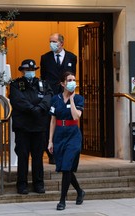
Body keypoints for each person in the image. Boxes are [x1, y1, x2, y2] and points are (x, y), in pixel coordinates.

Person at [9, 59, 53, 194]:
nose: (30, 73)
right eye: (28, 70)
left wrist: (39, 108)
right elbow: (18, 100)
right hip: (23, 127)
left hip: (39, 127)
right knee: (22, 156)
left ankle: (38, 184)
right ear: (22, 71)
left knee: (38, 157)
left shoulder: (43, 84)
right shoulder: (16, 84)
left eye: (32, 70)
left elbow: (48, 97)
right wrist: (32, 109)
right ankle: (22, 184)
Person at [48, 71, 85, 211]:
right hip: (59, 134)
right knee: (65, 167)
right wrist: (50, 140)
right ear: (63, 83)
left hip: (73, 134)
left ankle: (62, 200)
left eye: (74, 80)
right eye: (69, 80)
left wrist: (71, 100)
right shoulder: (55, 99)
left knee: (66, 167)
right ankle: (80, 191)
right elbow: (52, 120)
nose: (72, 82)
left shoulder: (79, 98)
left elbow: (76, 117)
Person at [40, 33, 77, 164]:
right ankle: (51, 154)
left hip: (66, 95)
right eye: (50, 41)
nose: (51, 43)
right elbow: (43, 78)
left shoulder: (72, 57)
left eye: (54, 41)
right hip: (51, 95)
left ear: (61, 43)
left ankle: (65, 151)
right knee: (50, 122)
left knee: (65, 122)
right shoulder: (45, 58)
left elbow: (72, 76)